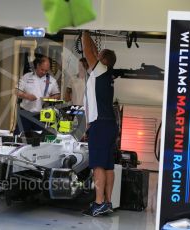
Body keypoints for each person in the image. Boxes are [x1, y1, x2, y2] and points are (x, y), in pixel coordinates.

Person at [81, 31, 118, 217]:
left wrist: (85, 31)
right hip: (109, 124)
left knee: (98, 165)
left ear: (102, 60)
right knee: (108, 165)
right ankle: (108, 202)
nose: (96, 56)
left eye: (99, 55)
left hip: (101, 124)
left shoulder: (100, 70)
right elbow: (93, 52)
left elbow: (88, 51)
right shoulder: (106, 74)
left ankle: (98, 203)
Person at [14, 55, 60, 135]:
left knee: (40, 140)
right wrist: (27, 96)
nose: (44, 72)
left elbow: (57, 95)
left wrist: (49, 98)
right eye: (42, 69)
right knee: (20, 137)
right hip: (25, 113)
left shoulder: (52, 80)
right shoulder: (27, 77)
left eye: (46, 71)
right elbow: (16, 91)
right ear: (37, 65)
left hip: (41, 116)